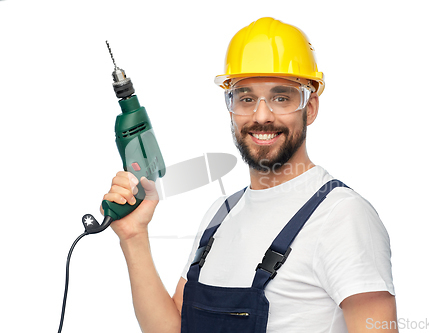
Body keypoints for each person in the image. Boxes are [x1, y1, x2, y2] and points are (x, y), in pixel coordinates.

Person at [101, 17, 398, 333]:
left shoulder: (342, 216)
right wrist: (134, 237)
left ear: (310, 107)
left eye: (281, 97)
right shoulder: (221, 215)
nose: (261, 115)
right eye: (245, 98)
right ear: (231, 107)